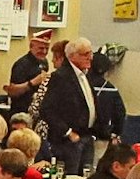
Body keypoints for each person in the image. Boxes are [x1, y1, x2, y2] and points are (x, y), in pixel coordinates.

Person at [35, 36, 105, 171]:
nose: (90, 58)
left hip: (87, 136)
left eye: (91, 53)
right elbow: (46, 109)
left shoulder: (85, 75)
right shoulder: (61, 77)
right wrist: (68, 132)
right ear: (72, 56)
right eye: (85, 54)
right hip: (68, 142)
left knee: (84, 177)